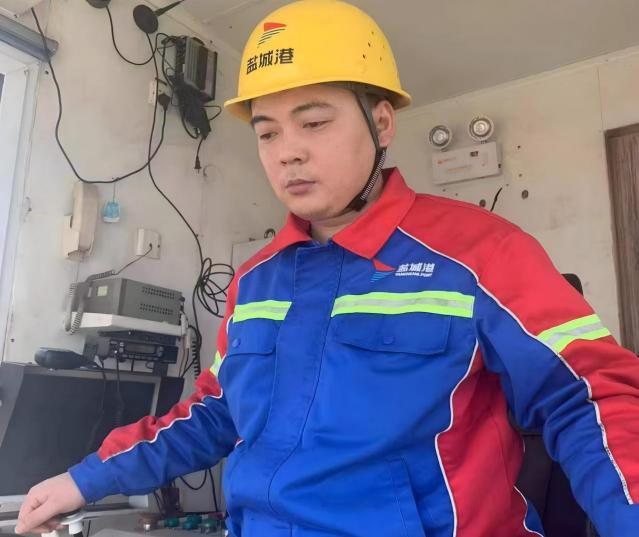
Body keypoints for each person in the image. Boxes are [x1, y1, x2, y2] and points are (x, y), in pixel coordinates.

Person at [15, 1, 639, 536]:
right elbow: (217, 412)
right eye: (267, 133)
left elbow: (590, 397)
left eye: (314, 122)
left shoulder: (480, 252)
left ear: (381, 123)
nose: (288, 152)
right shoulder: (256, 280)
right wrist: (85, 479)